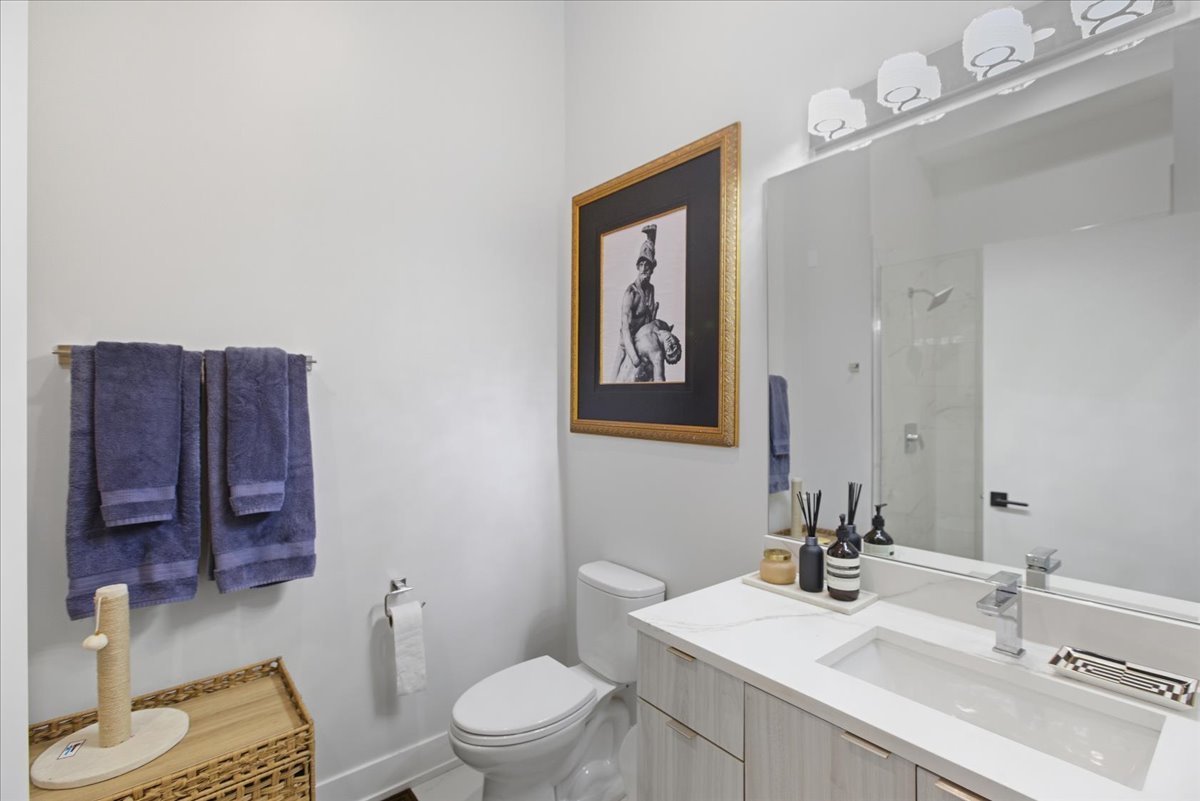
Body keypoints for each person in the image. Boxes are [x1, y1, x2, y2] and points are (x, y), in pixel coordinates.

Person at [611, 224, 681, 382]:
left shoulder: (651, 289)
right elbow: (625, 327)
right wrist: (634, 356)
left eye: (648, 266)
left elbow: (649, 317)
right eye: (641, 265)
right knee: (614, 377)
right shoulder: (630, 293)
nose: (644, 269)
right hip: (627, 345)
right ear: (637, 267)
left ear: (651, 270)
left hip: (644, 340)